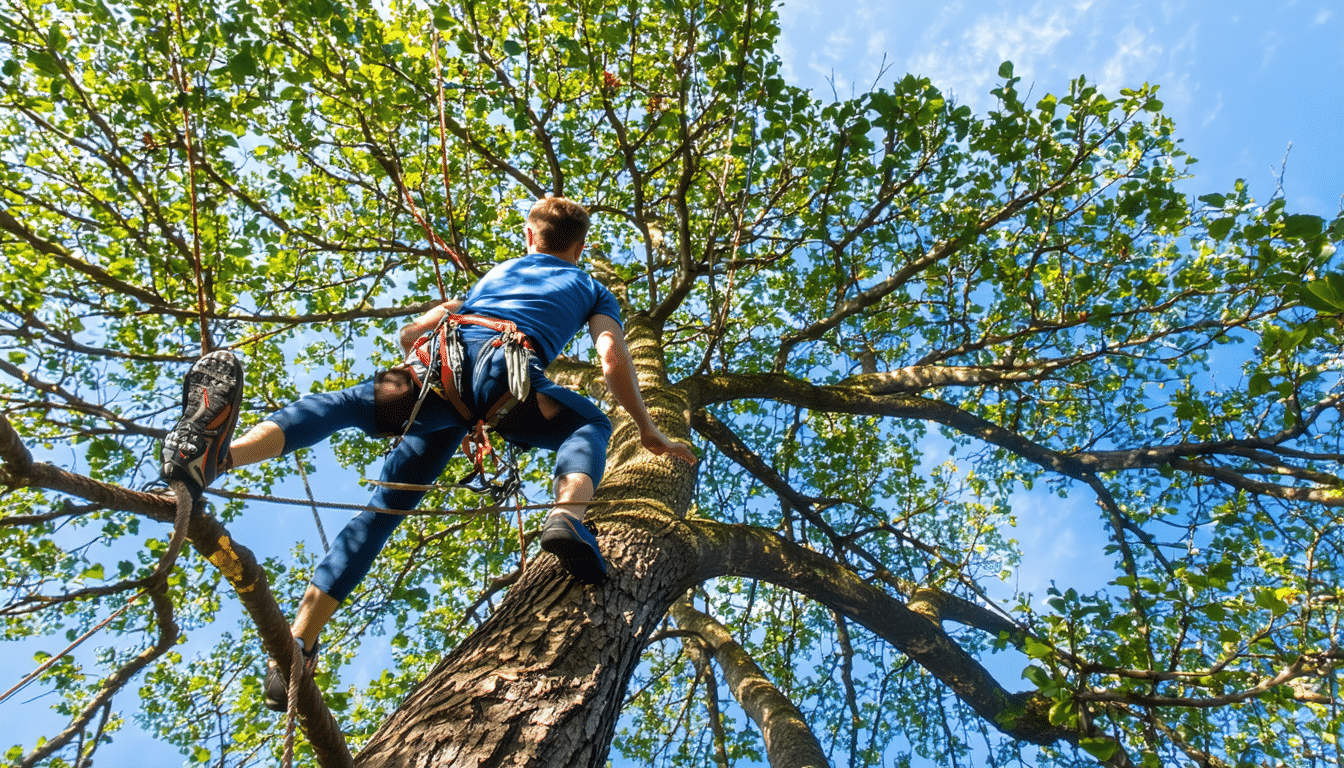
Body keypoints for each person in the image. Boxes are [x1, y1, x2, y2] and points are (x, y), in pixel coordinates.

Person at [159, 197, 696, 711]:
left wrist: (439, 321)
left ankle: (225, 467)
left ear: (530, 237)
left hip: (438, 369)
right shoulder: (591, 287)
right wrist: (649, 431)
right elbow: (611, 359)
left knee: (359, 450)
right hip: (506, 378)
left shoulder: (494, 276)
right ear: (578, 248)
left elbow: (410, 335)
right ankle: (567, 517)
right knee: (591, 422)